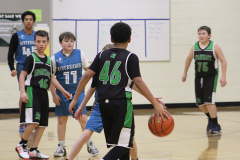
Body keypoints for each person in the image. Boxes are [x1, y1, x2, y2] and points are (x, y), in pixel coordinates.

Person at [68, 22, 169, 160]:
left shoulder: (101, 55)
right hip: (120, 104)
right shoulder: (130, 57)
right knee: (126, 144)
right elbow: (137, 82)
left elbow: (86, 76)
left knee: (121, 142)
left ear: (111, 39)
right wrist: (155, 104)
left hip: (103, 104)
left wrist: (75, 100)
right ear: (129, 39)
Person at [15, 30, 71, 159]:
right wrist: (23, 92)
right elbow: (22, 75)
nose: (41, 44)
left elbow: (52, 78)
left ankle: (33, 150)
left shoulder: (48, 60)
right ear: (34, 42)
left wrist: (63, 91)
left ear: (48, 43)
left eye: (44, 42)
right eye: (38, 41)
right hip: (32, 91)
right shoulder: (31, 58)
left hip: (43, 94)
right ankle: (21, 145)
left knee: (42, 124)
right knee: (33, 122)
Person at [50, 32, 99, 157]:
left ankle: (90, 143)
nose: (69, 43)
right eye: (66, 41)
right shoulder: (54, 58)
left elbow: (88, 70)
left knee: (83, 118)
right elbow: (51, 77)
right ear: (61, 43)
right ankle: (61, 146)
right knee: (62, 120)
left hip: (78, 92)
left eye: (72, 41)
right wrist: (55, 94)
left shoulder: (80, 54)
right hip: (62, 93)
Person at [182, 26, 227, 134]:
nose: (201, 35)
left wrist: (223, 76)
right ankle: (211, 119)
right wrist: (185, 73)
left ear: (209, 35)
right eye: (199, 33)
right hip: (198, 77)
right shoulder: (194, 46)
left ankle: (216, 125)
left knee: (209, 101)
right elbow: (188, 59)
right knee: (199, 103)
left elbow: (223, 60)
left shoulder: (214, 46)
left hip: (211, 77)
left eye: (203, 33)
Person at [7, 11, 36, 132]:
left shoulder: (38, 35)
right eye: (26, 19)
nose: (28, 21)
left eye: (30, 19)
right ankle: (23, 122)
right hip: (22, 67)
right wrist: (12, 68)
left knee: (35, 94)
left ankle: (33, 120)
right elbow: (10, 54)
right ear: (23, 21)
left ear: (33, 21)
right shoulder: (17, 36)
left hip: (35, 67)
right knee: (24, 94)